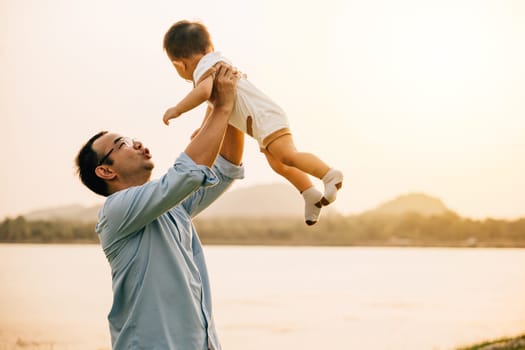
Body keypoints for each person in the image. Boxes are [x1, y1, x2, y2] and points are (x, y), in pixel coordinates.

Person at [75, 63, 243, 350]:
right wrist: (221, 108)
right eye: (123, 143)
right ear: (106, 171)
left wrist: (231, 101)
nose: (137, 142)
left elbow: (226, 168)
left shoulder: (172, 206)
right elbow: (188, 173)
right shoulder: (115, 211)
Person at [162, 20, 343, 225]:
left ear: (180, 64)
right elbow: (214, 103)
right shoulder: (215, 62)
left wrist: (177, 109)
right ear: (209, 46)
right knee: (278, 164)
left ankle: (329, 175)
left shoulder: (204, 68)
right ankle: (310, 194)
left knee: (287, 156)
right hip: (262, 121)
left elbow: (203, 93)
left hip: (265, 118)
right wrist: (203, 129)